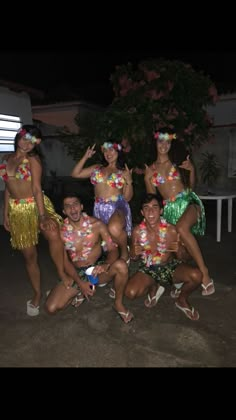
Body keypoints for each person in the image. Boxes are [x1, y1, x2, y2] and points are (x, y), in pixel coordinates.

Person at [1, 125, 78, 316]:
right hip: (17, 211)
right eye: (25, 138)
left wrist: (43, 216)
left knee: (53, 232)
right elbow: (8, 189)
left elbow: (36, 189)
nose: (27, 144)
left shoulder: (33, 160)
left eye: (32, 141)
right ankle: (37, 294)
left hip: (37, 205)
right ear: (18, 137)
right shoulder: (5, 160)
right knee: (29, 257)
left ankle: (63, 274)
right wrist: (5, 214)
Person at [144, 130, 214, 296]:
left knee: (182, 228)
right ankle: (181, 279)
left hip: (188, 202)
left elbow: (190, 187)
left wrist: (192, 171)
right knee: (180, 251)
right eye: (161, 141)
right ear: (155, 143)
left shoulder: (177, 162)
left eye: (167, 142)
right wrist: (147, 179)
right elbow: (152, 198)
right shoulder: (152, 169)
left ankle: (204, 273)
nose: (164, 145)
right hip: (169, 209)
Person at [45, 193, 133, 324]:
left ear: (81, 207)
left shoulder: (97, 225)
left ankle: (118, 304)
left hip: (98, 269)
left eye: (75, 204)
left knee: (121, 266)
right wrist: (80, 283)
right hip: (77, 273)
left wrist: (106, 265)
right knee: (51, 308)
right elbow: (65, 261)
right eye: (68, 206)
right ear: (64, 211)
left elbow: (112, 248)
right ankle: (79, 291)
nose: (72, 208)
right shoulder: (61, 233)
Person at [125, 193, 202, 321]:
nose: (150, 211)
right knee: (130, 293)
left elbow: (183, 258)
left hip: (169, 267)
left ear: (161, 211)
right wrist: (134, 252)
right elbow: (134, 258)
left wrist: (180, 248)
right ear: (142, 212)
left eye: (155, 207)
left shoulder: (171, 230)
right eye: (146, 207)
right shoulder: (137, 232)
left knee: (197, 275)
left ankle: (181, 300)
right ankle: (153, 286)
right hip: (148, 268)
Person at [70, 141, 133, 264]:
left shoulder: (122, 171)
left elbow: (128, 197)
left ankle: (125, 252)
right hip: (99, 207)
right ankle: (110, 260)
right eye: (105, 150)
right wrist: (85, 157)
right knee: (106, 239)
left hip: (117, 206)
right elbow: (75, 174)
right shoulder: (96, 168)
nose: (108, 153)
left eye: (111, 150)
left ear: (118, 152)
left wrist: (129, 182)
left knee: (114, 228)